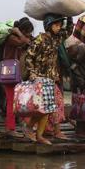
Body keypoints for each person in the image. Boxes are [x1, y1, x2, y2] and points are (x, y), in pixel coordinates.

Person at [25, 13, 73, 145]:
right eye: (56, 25)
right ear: (49, 26)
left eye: (59, 25)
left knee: (49, 108)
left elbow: (69, 31)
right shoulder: (40, 39)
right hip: (40, 78)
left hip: (51, 79)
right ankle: (31, 129)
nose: (59, 27)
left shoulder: (57, 39)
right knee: (43, 108)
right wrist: (33, 73)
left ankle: (37, 133)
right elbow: (29, 57)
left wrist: (69, 16)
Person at [0, 18, 33, 138]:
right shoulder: (12, 37)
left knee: (18, 101)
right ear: (23, 30)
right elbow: (23, 41)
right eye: (28, 31)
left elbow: (28, 42)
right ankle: (10, 128)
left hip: (15, 73)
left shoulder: (18, 37)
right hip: (9, 73)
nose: (29, 34)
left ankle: (20, 126)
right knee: (11, 102)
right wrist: (18, 32)